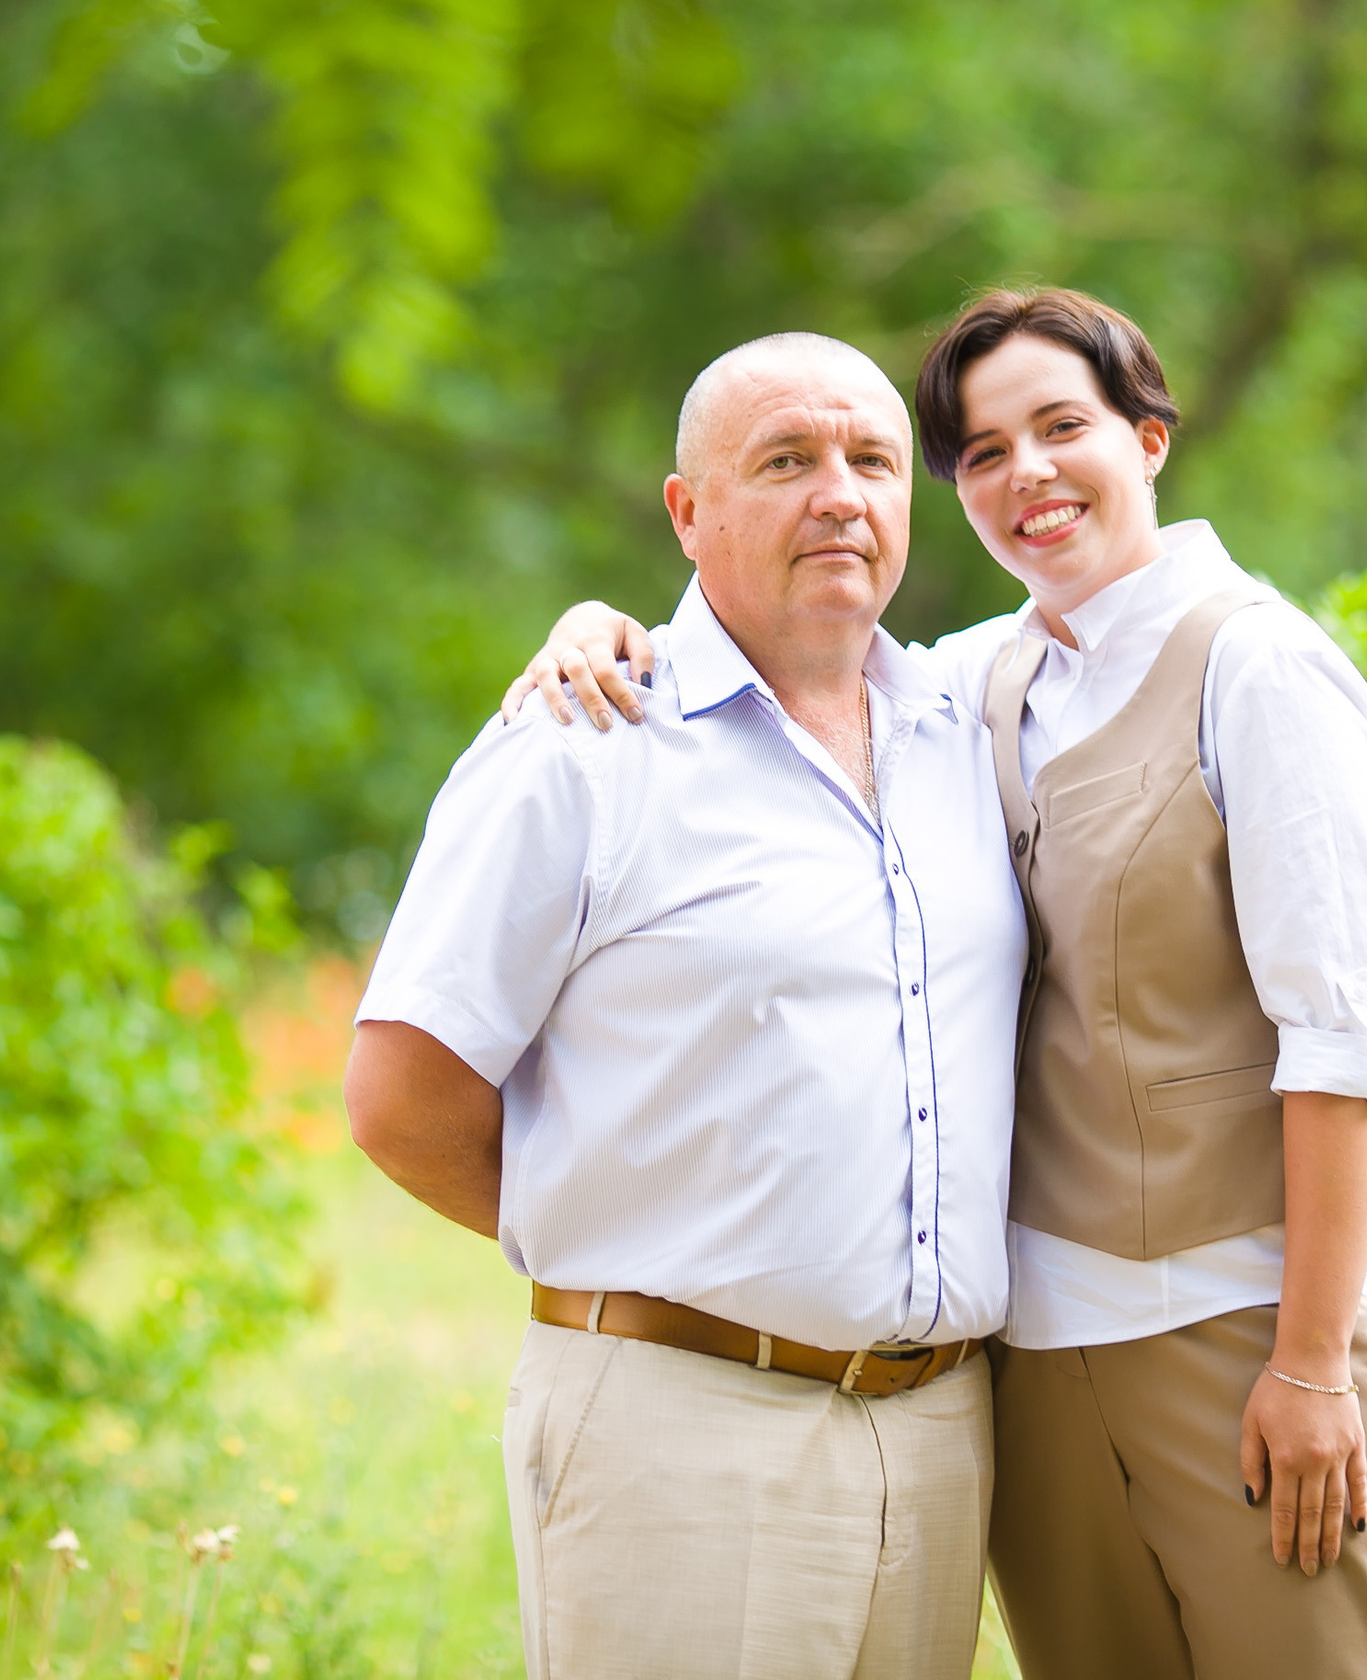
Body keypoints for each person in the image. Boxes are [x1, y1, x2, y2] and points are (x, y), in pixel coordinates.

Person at [508, 287, 1367, 1678]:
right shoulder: (968, 686)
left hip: (1250, 1337)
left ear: (1152, 437)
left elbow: (1346, 1046)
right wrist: (600, 623)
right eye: (982, 455)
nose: (1028, 476)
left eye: (1063, 427)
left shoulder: (1262, 671)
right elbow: (764, 657)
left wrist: (1313, 1363)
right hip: (1044, 1367)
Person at [345, 331, 1028, 1680]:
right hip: (681, 1426)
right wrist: (647, 1244)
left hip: (939, 1433)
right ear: (688, 511)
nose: (839, 493)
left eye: (872, 461)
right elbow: (399, 1098)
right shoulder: (586, 745)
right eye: (786, 461)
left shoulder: (974, 720)